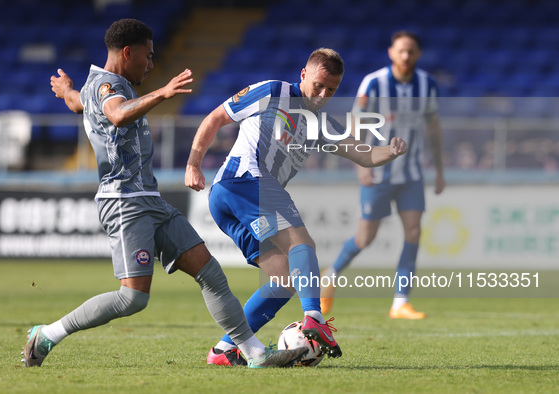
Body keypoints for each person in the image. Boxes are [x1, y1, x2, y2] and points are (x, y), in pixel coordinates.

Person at [22, 18, 307, 369]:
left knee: (210, 273)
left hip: (151, 201)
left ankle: (254, 353)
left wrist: (66, 90)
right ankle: (47, 334)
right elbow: (115, 115)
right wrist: (162, 92)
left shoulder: (101, 86)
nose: (152, 64)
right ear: (127, 52)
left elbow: (78, 103)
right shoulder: (109, 87)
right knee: (132, 298)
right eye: (148, 56)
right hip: (124, 204)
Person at [185, 48, 408, 365]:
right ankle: (314, 318)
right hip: (245, 181)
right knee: (302, 244)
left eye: (331, 89)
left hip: (231, 199)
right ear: (303, 75)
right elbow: (216, 118)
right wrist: (193, 164)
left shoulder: (319, 123)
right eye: (318, 84)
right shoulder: (273, 90)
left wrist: (391, 150)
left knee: (287, 279)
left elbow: (363, 154)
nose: (322, 94)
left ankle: (225, 350)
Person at [320, 31, 445, 319]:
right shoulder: (374, 83)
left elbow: (433, 128)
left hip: (411, 172)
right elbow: (356, 123)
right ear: (391, 52)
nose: (405, 56)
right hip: (378, 171)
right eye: (401, 50)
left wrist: (439, 170)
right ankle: (330, 275)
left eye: (411, 51)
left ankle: (400, 302)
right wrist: (361, 163)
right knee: (365, 238)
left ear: (418, 55)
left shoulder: (427, 84)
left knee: (413, 231)